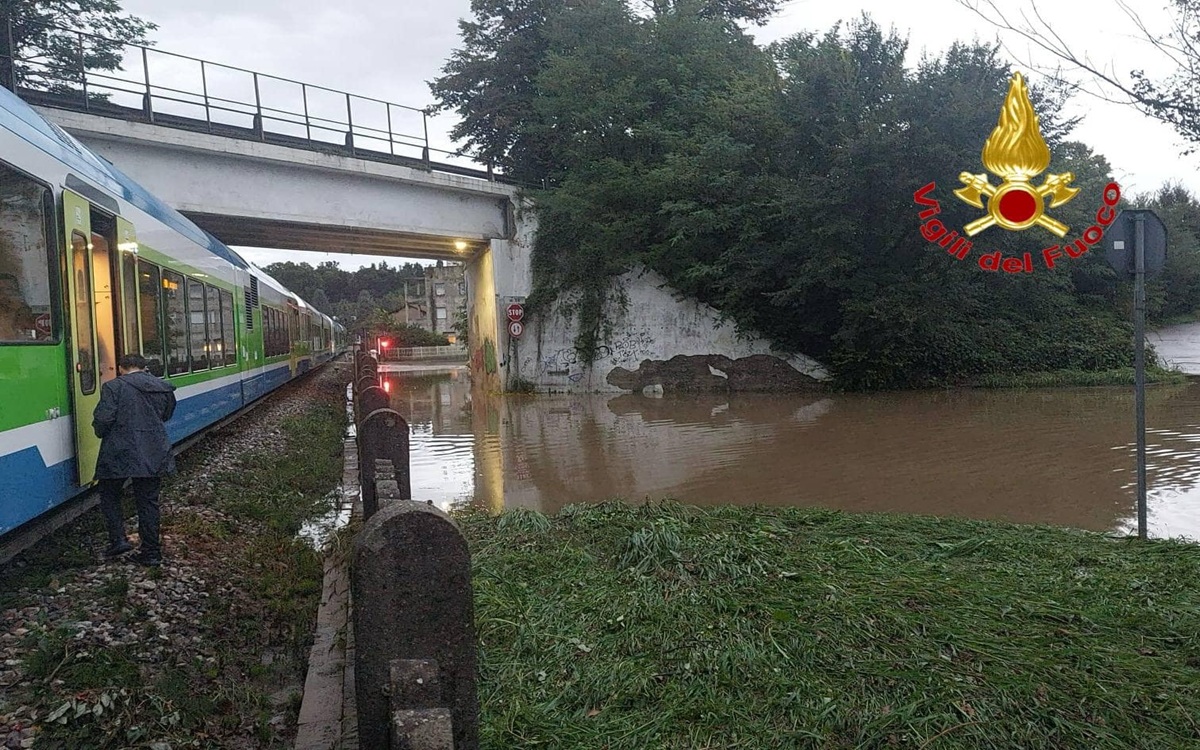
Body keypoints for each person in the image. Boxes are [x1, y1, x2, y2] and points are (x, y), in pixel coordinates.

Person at [93, 353, 178, 566]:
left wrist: (100, 431)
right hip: (153, 449)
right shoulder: (163, 387)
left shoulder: (113, 387)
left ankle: (119, 540)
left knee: (109, 494)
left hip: (119, 450)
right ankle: (151, 552)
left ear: (121, 368)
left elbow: (103, 420)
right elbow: (166, 415)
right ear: (144, 367)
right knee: (148, 501)